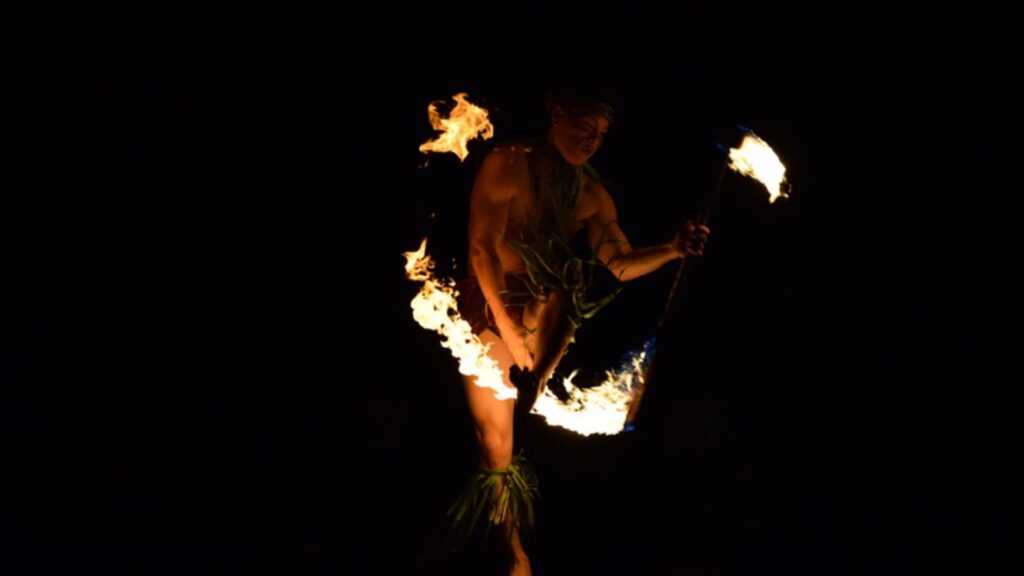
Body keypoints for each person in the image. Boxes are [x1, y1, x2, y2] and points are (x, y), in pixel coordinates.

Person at [451, 94, 709, 575]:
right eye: (584, 127)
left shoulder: (591, 195)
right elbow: (482, 252)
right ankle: (515, 556)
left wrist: (672, 249)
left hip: (538, 318)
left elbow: (618, 262)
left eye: (602, 135)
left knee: (564, 289)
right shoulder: (507, 164)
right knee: (494, 443)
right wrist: (506, 334)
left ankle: (538, 373)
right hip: (485, 306)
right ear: (557, 115)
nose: (592, 141)